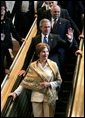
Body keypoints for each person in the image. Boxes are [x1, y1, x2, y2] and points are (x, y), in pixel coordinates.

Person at [9, 42, 62, 117]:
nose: (46, 53)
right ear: (38, 53)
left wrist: (49, 84)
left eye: (47, 51)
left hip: (49, 97)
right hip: (36, 97)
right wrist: (15, 93)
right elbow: (26, 82)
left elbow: (59, 81)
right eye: (43, 52)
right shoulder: (32, 66)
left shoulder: (53, 65)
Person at [0, 2, 23, 83]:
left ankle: (8, 78)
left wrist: (20, 39)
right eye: (0, 10)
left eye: (3, 10)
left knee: (10, 60)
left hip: (8, 45)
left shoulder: (8, 21)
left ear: (5, 10)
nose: (2, 11)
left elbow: (14, 32)